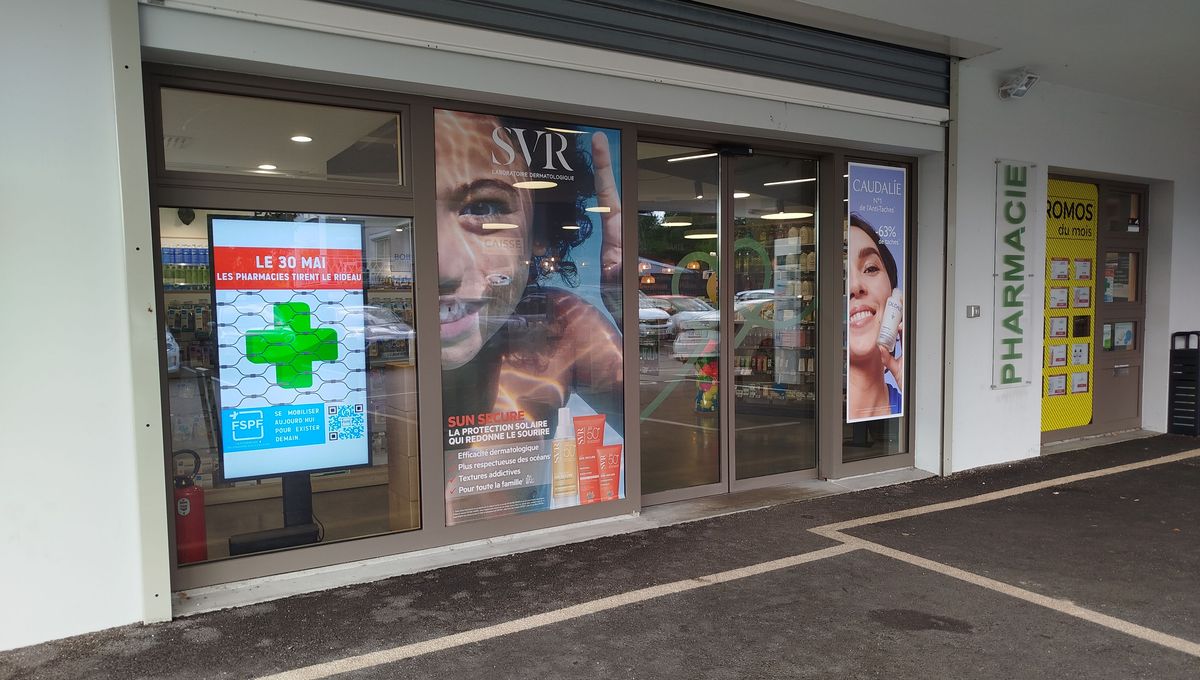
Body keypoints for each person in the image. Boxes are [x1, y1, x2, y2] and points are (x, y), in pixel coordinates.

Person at [435, 108, 624, 442]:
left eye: (482, 208)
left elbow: (676, 431)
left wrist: (628, 308)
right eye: (410, 211)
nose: (444, 267)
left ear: (538, 232)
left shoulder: (563, 326)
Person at [847, 212, 903, 420]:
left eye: (870, 268)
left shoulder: (905, 419)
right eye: (841, 274)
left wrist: (908, 382)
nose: (854, 286)